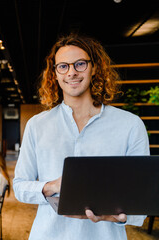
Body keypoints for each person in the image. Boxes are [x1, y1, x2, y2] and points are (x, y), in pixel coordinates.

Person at [13, 33, 150, 240]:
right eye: (63, 66)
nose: (72, 73)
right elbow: (20, 186)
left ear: (94, 67)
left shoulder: (130, 125)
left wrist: (115, 215)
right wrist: (53, 186)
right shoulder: (37, 125)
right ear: (55, 73)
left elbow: (141, 197)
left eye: (80, 64)